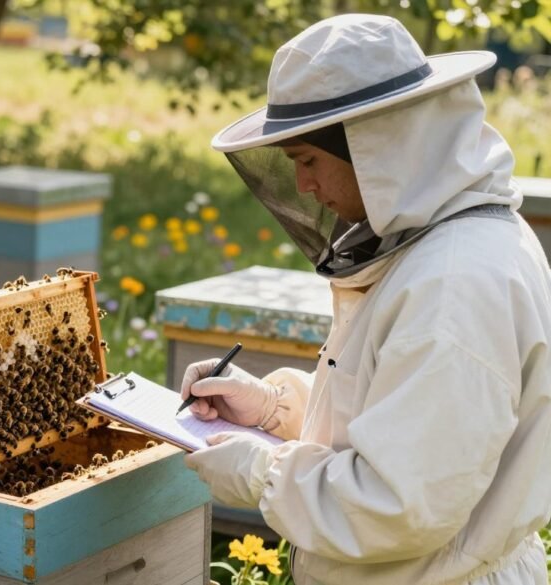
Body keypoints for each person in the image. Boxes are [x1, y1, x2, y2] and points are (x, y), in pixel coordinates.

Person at [181, 13, 551, 585]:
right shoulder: (438, 244)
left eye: (308, 160)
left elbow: (400, 503)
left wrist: (261, 472)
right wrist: (273, 411)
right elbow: (403, 422)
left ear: (378, 146)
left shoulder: (454, 285)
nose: (303, 187)